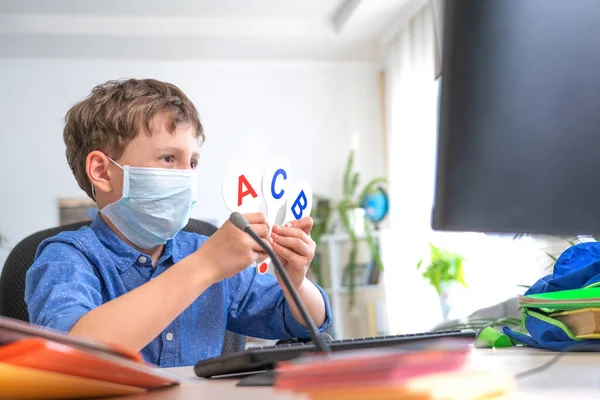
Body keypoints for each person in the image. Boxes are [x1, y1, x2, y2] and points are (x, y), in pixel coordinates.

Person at [25, 78, 332, 367]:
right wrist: (203, 267)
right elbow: (73, 354)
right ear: (103, 172)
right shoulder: (66, 257)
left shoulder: (202, 249)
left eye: (193, 162)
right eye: (169, 158)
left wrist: (296, 284)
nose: (188, 177)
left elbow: (308, 321)